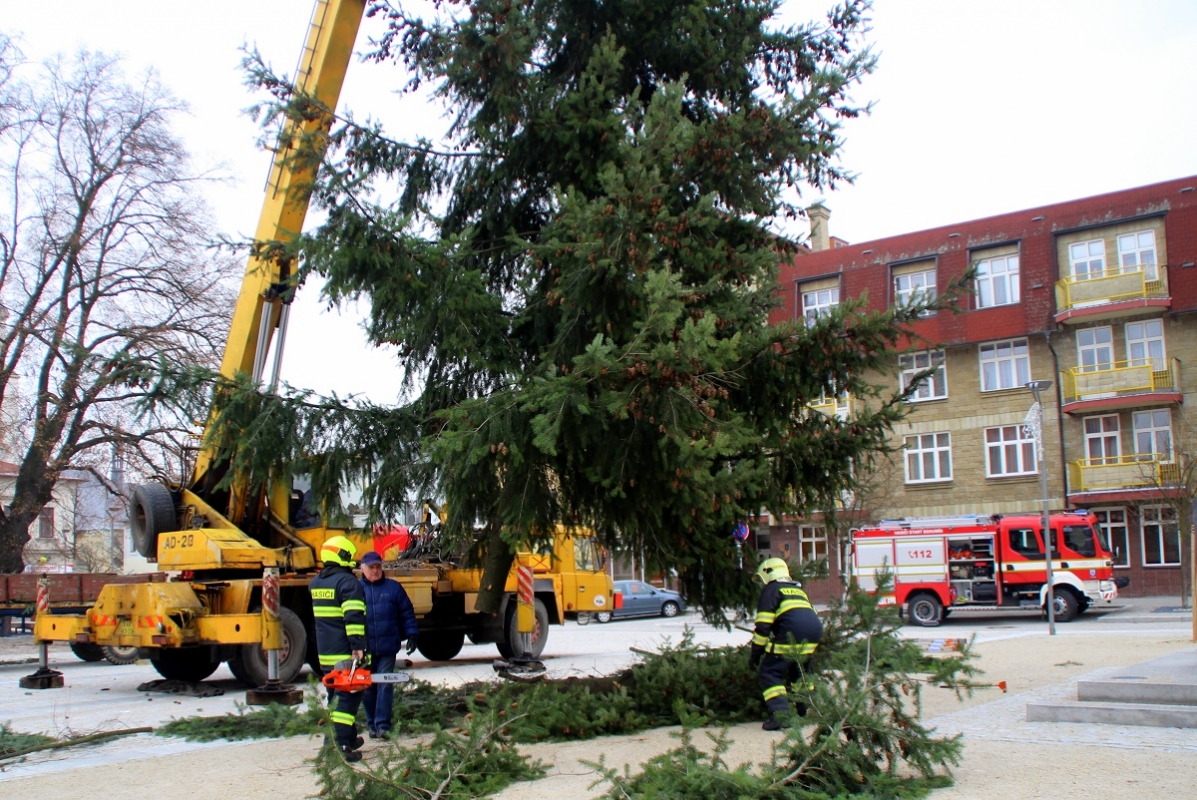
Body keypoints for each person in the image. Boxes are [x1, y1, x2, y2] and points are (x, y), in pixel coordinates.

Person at [310, 534, 368, 761]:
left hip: (325, 654)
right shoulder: (347, 583)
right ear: (343, 555)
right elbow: (353, 618)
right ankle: (338, 747)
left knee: (335, 696)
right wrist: (358, 648)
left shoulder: (317, 582)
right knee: (348, 699)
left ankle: (349, 737)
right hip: (345, 652)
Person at [748, 557, 823, 731]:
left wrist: (756, 653)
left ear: (768, 574)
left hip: (792, 632)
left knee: (770, 671)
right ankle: (807, 710)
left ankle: (780, 715)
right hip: (814, 633)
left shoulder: (771, 590)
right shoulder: (798, 590)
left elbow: (763, 625)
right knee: (800, 671)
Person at [359, 550, 420, 739]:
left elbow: (406, 612)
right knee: (367, 687)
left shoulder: (393, 588)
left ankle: (383, 725)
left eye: (378, 567)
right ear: (363, 569)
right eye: (371, 568)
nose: (375, 571)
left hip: (387, 646)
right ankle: (372, 725)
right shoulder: (355, 589)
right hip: (364, 649)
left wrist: (411, 634)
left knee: (385, 685)